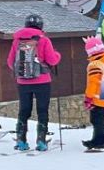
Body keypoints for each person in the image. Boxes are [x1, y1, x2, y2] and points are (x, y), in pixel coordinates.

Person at [6, 13, 62, 151]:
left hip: (23, 82)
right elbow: (52, 60)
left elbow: (10, 62)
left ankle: (21, 140)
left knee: (24, 110)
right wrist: (57, 54)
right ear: (41, 26)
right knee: (42, 110)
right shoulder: (44, 40)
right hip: (42, 81)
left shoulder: (17, 41)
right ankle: (41, 141)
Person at [82, 35, 104, 151]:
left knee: (96, 119)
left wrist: (88, 97)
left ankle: (100, 141)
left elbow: (93, 82)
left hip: (97, 96)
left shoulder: (94, 64)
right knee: (103, 117)